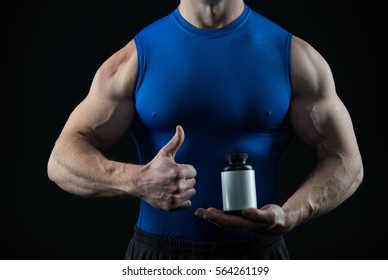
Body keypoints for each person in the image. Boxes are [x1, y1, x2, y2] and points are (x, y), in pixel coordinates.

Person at [47, 0, 363, 260]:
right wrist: (136, 180)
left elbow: (346, 161)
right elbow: (61, 160)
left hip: (258, 255)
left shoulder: (295, 57)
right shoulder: (134, 59)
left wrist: (292, 214)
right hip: (160, 256)